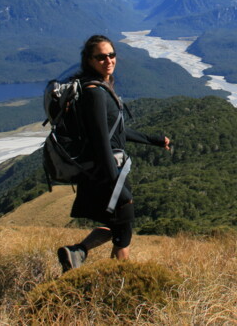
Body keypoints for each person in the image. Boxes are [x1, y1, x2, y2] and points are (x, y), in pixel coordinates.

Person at [57, 34, 171, 272]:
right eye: (100, 57)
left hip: (109, 169)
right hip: (108, 171)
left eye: (111, 55)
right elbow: (101, 142)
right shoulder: (94, 93)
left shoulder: (101, 87)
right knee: (124, 225)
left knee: (118, 225)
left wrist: (154, 140)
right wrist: (116, 185)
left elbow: (115, 131)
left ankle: (78, 253)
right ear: (89, 60)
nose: (108, 60)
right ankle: (121, 277)